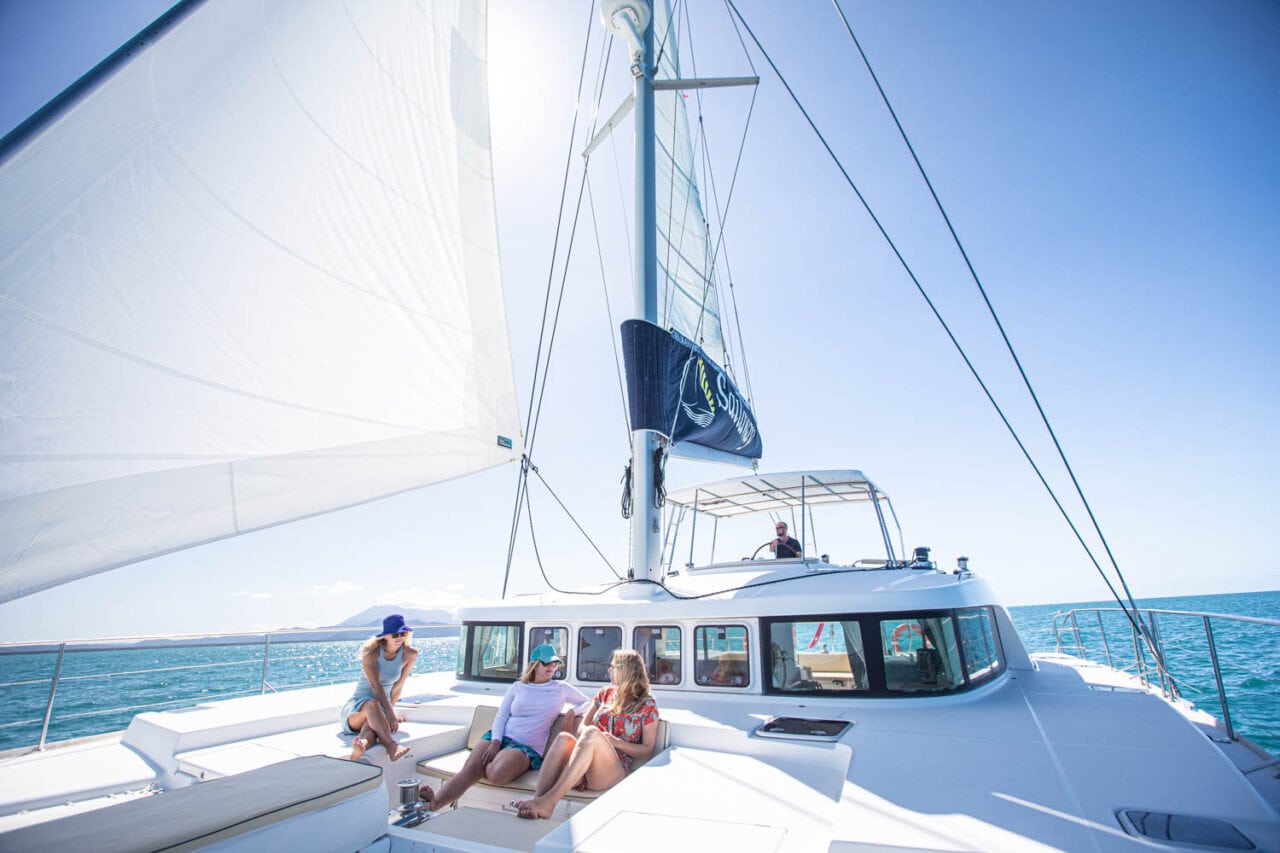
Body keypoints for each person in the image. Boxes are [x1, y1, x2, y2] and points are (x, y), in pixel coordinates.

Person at [420, 644, 590, 812]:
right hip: (500, 738)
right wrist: (495, 742)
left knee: (496, 774)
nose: (551, 667)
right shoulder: (517, 687)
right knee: (469, 769)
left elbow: (588, 702)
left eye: (555, 664)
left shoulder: (560, 689)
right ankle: (436, 802)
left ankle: (480, 769)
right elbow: (501, 716)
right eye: (546, 663)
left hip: (526, 747)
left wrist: (571, 712)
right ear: (534, 664)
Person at [513, 649, 660, 820]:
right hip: (586, 759)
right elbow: (582, 727)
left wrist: (615, 742)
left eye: (612, 667)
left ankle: (549, 803)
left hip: (612, 769)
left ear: (625, 670)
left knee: (592, 733)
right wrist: (593, 735)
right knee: (563, 738)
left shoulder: (647, 704)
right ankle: (537, 801)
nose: (609, 670)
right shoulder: (604, 694)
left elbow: (647, 750)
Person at [342, 614, 418, 761]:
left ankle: (361, 745)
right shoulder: (371, 655)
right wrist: (389, 712)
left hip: (382, 707)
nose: (400, 637)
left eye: (403, 633)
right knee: (373, 705)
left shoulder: (410, 654)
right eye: (396, 634)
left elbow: (398, 686)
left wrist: (391, 711)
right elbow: (376, 687)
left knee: (372, 726)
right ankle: (391, 746)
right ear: (386, 636)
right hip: (358, 707)